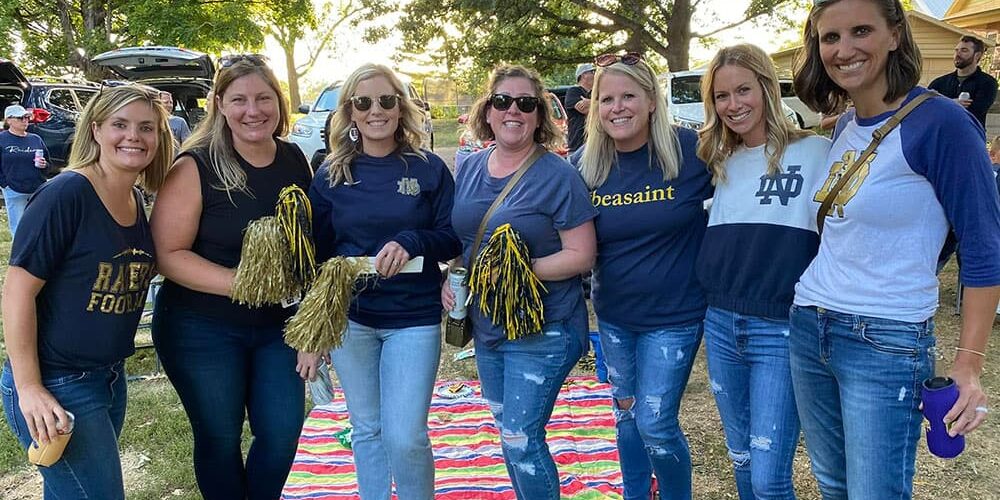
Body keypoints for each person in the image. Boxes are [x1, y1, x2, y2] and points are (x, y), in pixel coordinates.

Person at [791, 1, 1000, 498]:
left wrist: (968, 364)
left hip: (885, 336)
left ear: (894, 35)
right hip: (809, 323)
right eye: (830, 38)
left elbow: (984, 246)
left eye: (861, 30)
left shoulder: (942, 123)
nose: (844, 50)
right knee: (833, 484)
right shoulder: (844, 125)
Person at [150, 55, 316, 500]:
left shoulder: (295, 158)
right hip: (201, 328)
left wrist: (311, 319)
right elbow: (167, 255)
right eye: (239, 99)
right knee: (219, 439)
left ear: (279, 103)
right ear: (219, 104)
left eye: (264, 98)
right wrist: (244, 284)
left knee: (282, 434)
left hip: (277, 329)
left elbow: (308, 241)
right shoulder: (196, 165)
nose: (253, 110)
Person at [1, 84, 171, 499]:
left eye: (146, 128)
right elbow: (17, 291)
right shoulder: (67, 194)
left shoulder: (134, 197)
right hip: (57, 381)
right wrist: (30, 388)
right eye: (120, 124)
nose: (134, 136)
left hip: (108, 375)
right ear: (96, 130)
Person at [443, 64, 597, 500]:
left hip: (544, 327)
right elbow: (465, 236)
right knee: (506, 428)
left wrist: (511, 272)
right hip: (488, 328)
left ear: (539, 115)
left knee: (520, 437)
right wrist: (454, 276)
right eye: (503, 101)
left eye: (526, 103)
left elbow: (582, 255)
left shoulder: (557, 175)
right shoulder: (471, 167)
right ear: (488, 111)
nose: (514, 110)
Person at [308, 63, 461, 499]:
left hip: (414, 318)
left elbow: (450, 235)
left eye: (386, 100)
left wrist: (411, 241)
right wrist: (315, 328)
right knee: (368, 429)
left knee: (405, 434)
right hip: (353, 320)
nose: (376, 110)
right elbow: (318, 254)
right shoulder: (330, 174)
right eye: (363, 102)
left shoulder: (429, 168)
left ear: (401, 106)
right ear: (350, 113)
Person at [574, 53, 713, 500]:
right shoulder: (584, 165)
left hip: (676, 315)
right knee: (625, 413)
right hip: (614, 316)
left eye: (629, 96)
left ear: (652, 101)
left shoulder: (691, 151)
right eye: (607, 98)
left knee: (655, 421)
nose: (618, 107)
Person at [696, 44, 831, 500]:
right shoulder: (716, 159)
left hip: (781, 328)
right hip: (720, 323)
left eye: (743, 90)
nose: (733, 105)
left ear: (767, 89)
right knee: (741, 459)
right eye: (721, 96)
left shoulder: (817, 152)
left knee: (769, 478)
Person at [928, 35, 998, 128]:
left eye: (964, 50)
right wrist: (952, 103)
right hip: (940, 137)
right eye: (956, 50)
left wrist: (942, 105)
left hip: (970, 138)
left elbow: (975, 112)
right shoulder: (939, 83)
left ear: (977, 55)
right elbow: (926, 109)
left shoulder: (988, 83)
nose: (958, 54)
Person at [1, 104, 49, 235]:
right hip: (14, 189)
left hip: (37, 188)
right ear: (9, 120)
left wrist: (44, 165)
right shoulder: (2, 140)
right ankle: (20, 254)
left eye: (27, 117)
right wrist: (5, 184)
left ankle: (38, 252)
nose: (25, 120)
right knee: (18, 226)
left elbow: (48, 163)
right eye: (20, 118)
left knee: (39, 223)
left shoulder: (35, 139)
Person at [565, 63, 596, 153]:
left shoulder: (596, 93)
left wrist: (590, 103)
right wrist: (598, 105)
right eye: (592, 72)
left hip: (595, 146)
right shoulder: (574, 91)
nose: (595, 74)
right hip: (578, 147)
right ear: (583, 75)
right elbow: (584, 109)